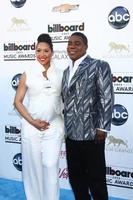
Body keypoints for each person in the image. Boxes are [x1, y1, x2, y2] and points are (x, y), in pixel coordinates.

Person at [61, 32, 114, 200]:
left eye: (77, 43)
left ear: (86, 46)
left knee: (96, 179)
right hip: (71, 134)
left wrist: (102, 127)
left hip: (92, 133)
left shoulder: (99, 65)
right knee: (76, 178)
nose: (73, 46)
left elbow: (107, 97)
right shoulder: (65, 72)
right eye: (70, 43)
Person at [14, 33, 64, 200]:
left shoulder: (61, 73)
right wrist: (33, 122)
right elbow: (18, 102)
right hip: (31, 128)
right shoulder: (27, 73)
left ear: (52, 52)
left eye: (46, 51)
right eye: (38, 51)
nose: (41, 55)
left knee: (50, 165)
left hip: (54, 126)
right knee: (33, 168)